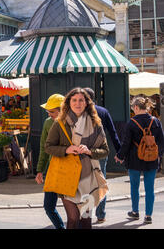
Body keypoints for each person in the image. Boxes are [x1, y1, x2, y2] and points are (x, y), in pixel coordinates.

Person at [45, 87, 109, 229]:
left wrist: (90, 151)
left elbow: (105, 150)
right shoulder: (60, 123)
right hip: (67, 177)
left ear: (87, 103)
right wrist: (66, 149)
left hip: (88, 178)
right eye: (74, 100)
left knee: (86, 220)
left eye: (81, 100)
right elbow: (48, 147)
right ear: (69, 102)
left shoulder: (95, 124)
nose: (78, 103)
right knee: (73, 219)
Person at [115, 96, 164, 224]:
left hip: (134, 159)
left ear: (136, 107)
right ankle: (148, 216)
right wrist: (158, 154)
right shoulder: (156, 121)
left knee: (134, 186)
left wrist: (119, 156)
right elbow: (161, 141)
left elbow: (126, 143)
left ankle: (135, 212)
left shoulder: (131, 122)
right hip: (151, 158)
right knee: (149, 188)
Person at [83, 87, 122, 223]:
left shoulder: (80, 112)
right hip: (100, 153)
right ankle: (101, 215)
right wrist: (119, 152)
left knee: (85, 183)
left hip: (84, 153)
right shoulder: (103, 111)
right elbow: (113, 133)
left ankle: (86, 215)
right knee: (101, 182)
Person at [35, 93, 65, 229]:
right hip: (53, 170)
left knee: (73, 207)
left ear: (61, 109)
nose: (49, 114)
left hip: (69, 171)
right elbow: (43, 147)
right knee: (48, 207)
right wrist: (40, 170)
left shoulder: (73, 123)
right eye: (48, 111)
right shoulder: (48, 123)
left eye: (52, 111)